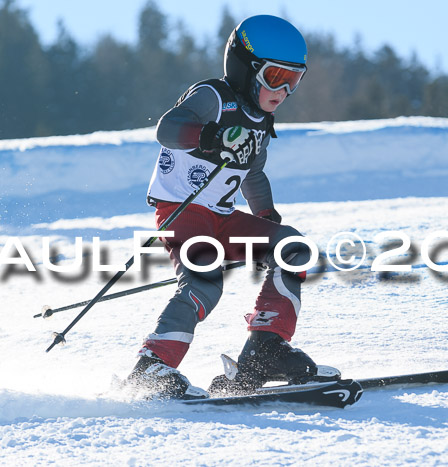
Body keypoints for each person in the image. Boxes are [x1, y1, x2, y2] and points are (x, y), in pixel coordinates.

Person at [126, 15, 339, 399]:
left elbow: (253, 173)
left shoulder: (261, 120)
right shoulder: (213, 97)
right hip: (183, 214)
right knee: (205, 284)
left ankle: (265, 352)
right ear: (245, 67)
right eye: (276, 77)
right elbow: (168, 129)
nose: (283, 91)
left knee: (292, 248)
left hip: (222, 218)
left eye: (293, 81)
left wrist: (266, 218)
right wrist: (209, 135)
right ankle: (151, 367)